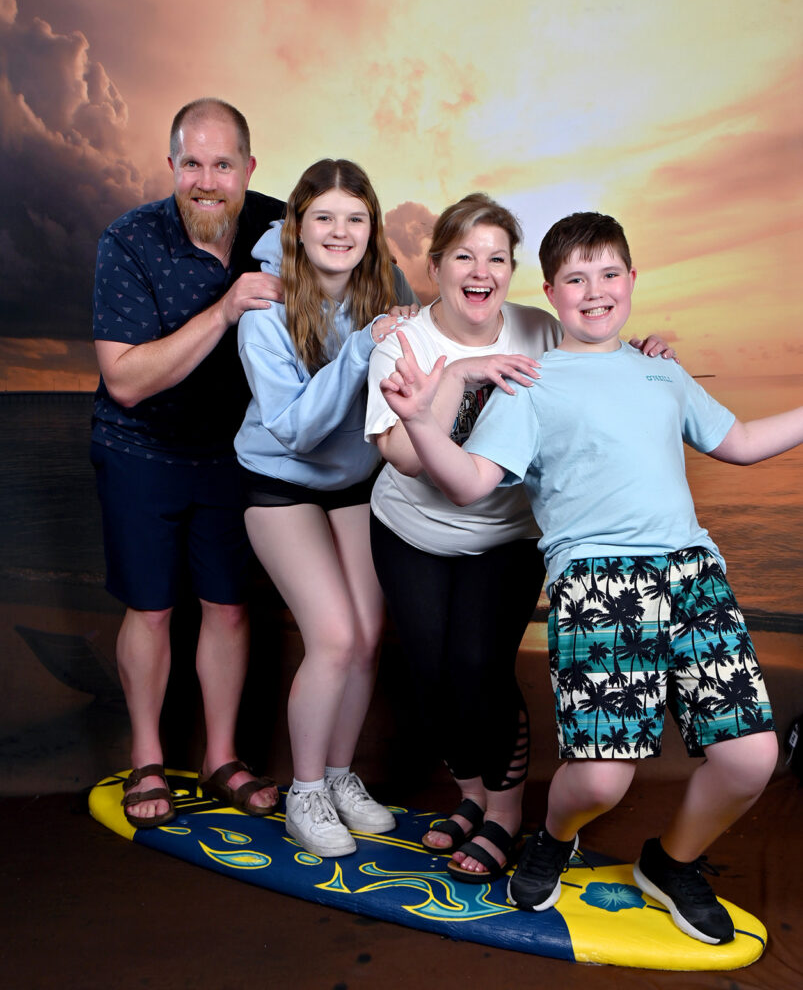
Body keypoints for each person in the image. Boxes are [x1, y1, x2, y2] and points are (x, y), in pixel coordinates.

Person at [380, 210, 799, 945]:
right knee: (603, 779)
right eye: (575, 279)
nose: (595, 290)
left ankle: (671, 863)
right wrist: (420, 420)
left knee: (750, 757)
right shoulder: (529, 382)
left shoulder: (661, 370)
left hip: (691, 573)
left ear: (632, 280)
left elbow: (736, 440)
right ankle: (553, 835)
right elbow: (469, 483)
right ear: (551, 293)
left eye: (609, 274)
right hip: (598, 583)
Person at [365, 195, 672, 884]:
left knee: (479, 667)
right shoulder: (402, 343)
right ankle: (471, 797)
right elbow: (407, 459)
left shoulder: (538, 328)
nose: (481, 271)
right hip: (410, 531)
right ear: (436, 266)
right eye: (464, 256)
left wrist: (647, 352)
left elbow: (600, 354)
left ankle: (503, 813)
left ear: (512, 270)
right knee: (429, 675)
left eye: (496, 258)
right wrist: (457, 373)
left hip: (506, 533)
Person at [91, 98, 285, 827]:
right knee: (151, 608)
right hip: (139, 446)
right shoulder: (129, 240)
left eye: (222, 164)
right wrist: (226, 310)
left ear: (249, 168)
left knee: (229, 606)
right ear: (171, 165)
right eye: (192, 163)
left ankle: (221, 757)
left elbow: (363, 263)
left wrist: (399, 320)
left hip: (232, 453)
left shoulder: (281, 225)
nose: (207, 180)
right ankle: (147, 756)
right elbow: (124, 380)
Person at [235, 158, 419, 857]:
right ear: (297, 225)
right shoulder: (264, 311)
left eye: (355, 218)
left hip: (351, 483)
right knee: (335, 637)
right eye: (324, 217)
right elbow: (297, 430)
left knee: (368, 636)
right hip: (279, 480)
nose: (339, 231)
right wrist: (362, 349)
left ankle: (339, 778)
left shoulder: (387, 287)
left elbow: (452, 339)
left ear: (371, 229)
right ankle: (304, 792)